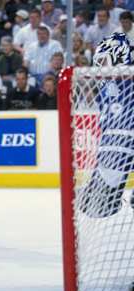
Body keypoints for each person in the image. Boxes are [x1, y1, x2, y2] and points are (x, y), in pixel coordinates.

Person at [78, 32, 134, 218]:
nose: (99, 68)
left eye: (103, 62)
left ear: (119, 57)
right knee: (90, 206)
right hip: (112, 149)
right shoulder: (104, 87)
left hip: (122, 148)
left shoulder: (129, 82)